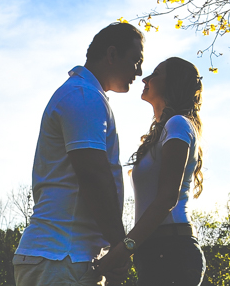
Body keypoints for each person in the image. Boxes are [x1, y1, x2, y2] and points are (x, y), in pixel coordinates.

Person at [13, 22, 144, 286]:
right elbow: (94, 177)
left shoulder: (85, 94)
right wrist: (120, 248)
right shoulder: (84, 96)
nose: (139, 72)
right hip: (61, 258)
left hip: (62, 257)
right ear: (111, 54)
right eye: (135, 60)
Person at [93, 56, 206, 285]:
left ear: (171, 82)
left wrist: (124, 249)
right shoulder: (164, 131)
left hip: (173, 251)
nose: (145, 78)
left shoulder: (178, 124)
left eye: (155, 74)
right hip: (155, 250)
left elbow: (166, 199)